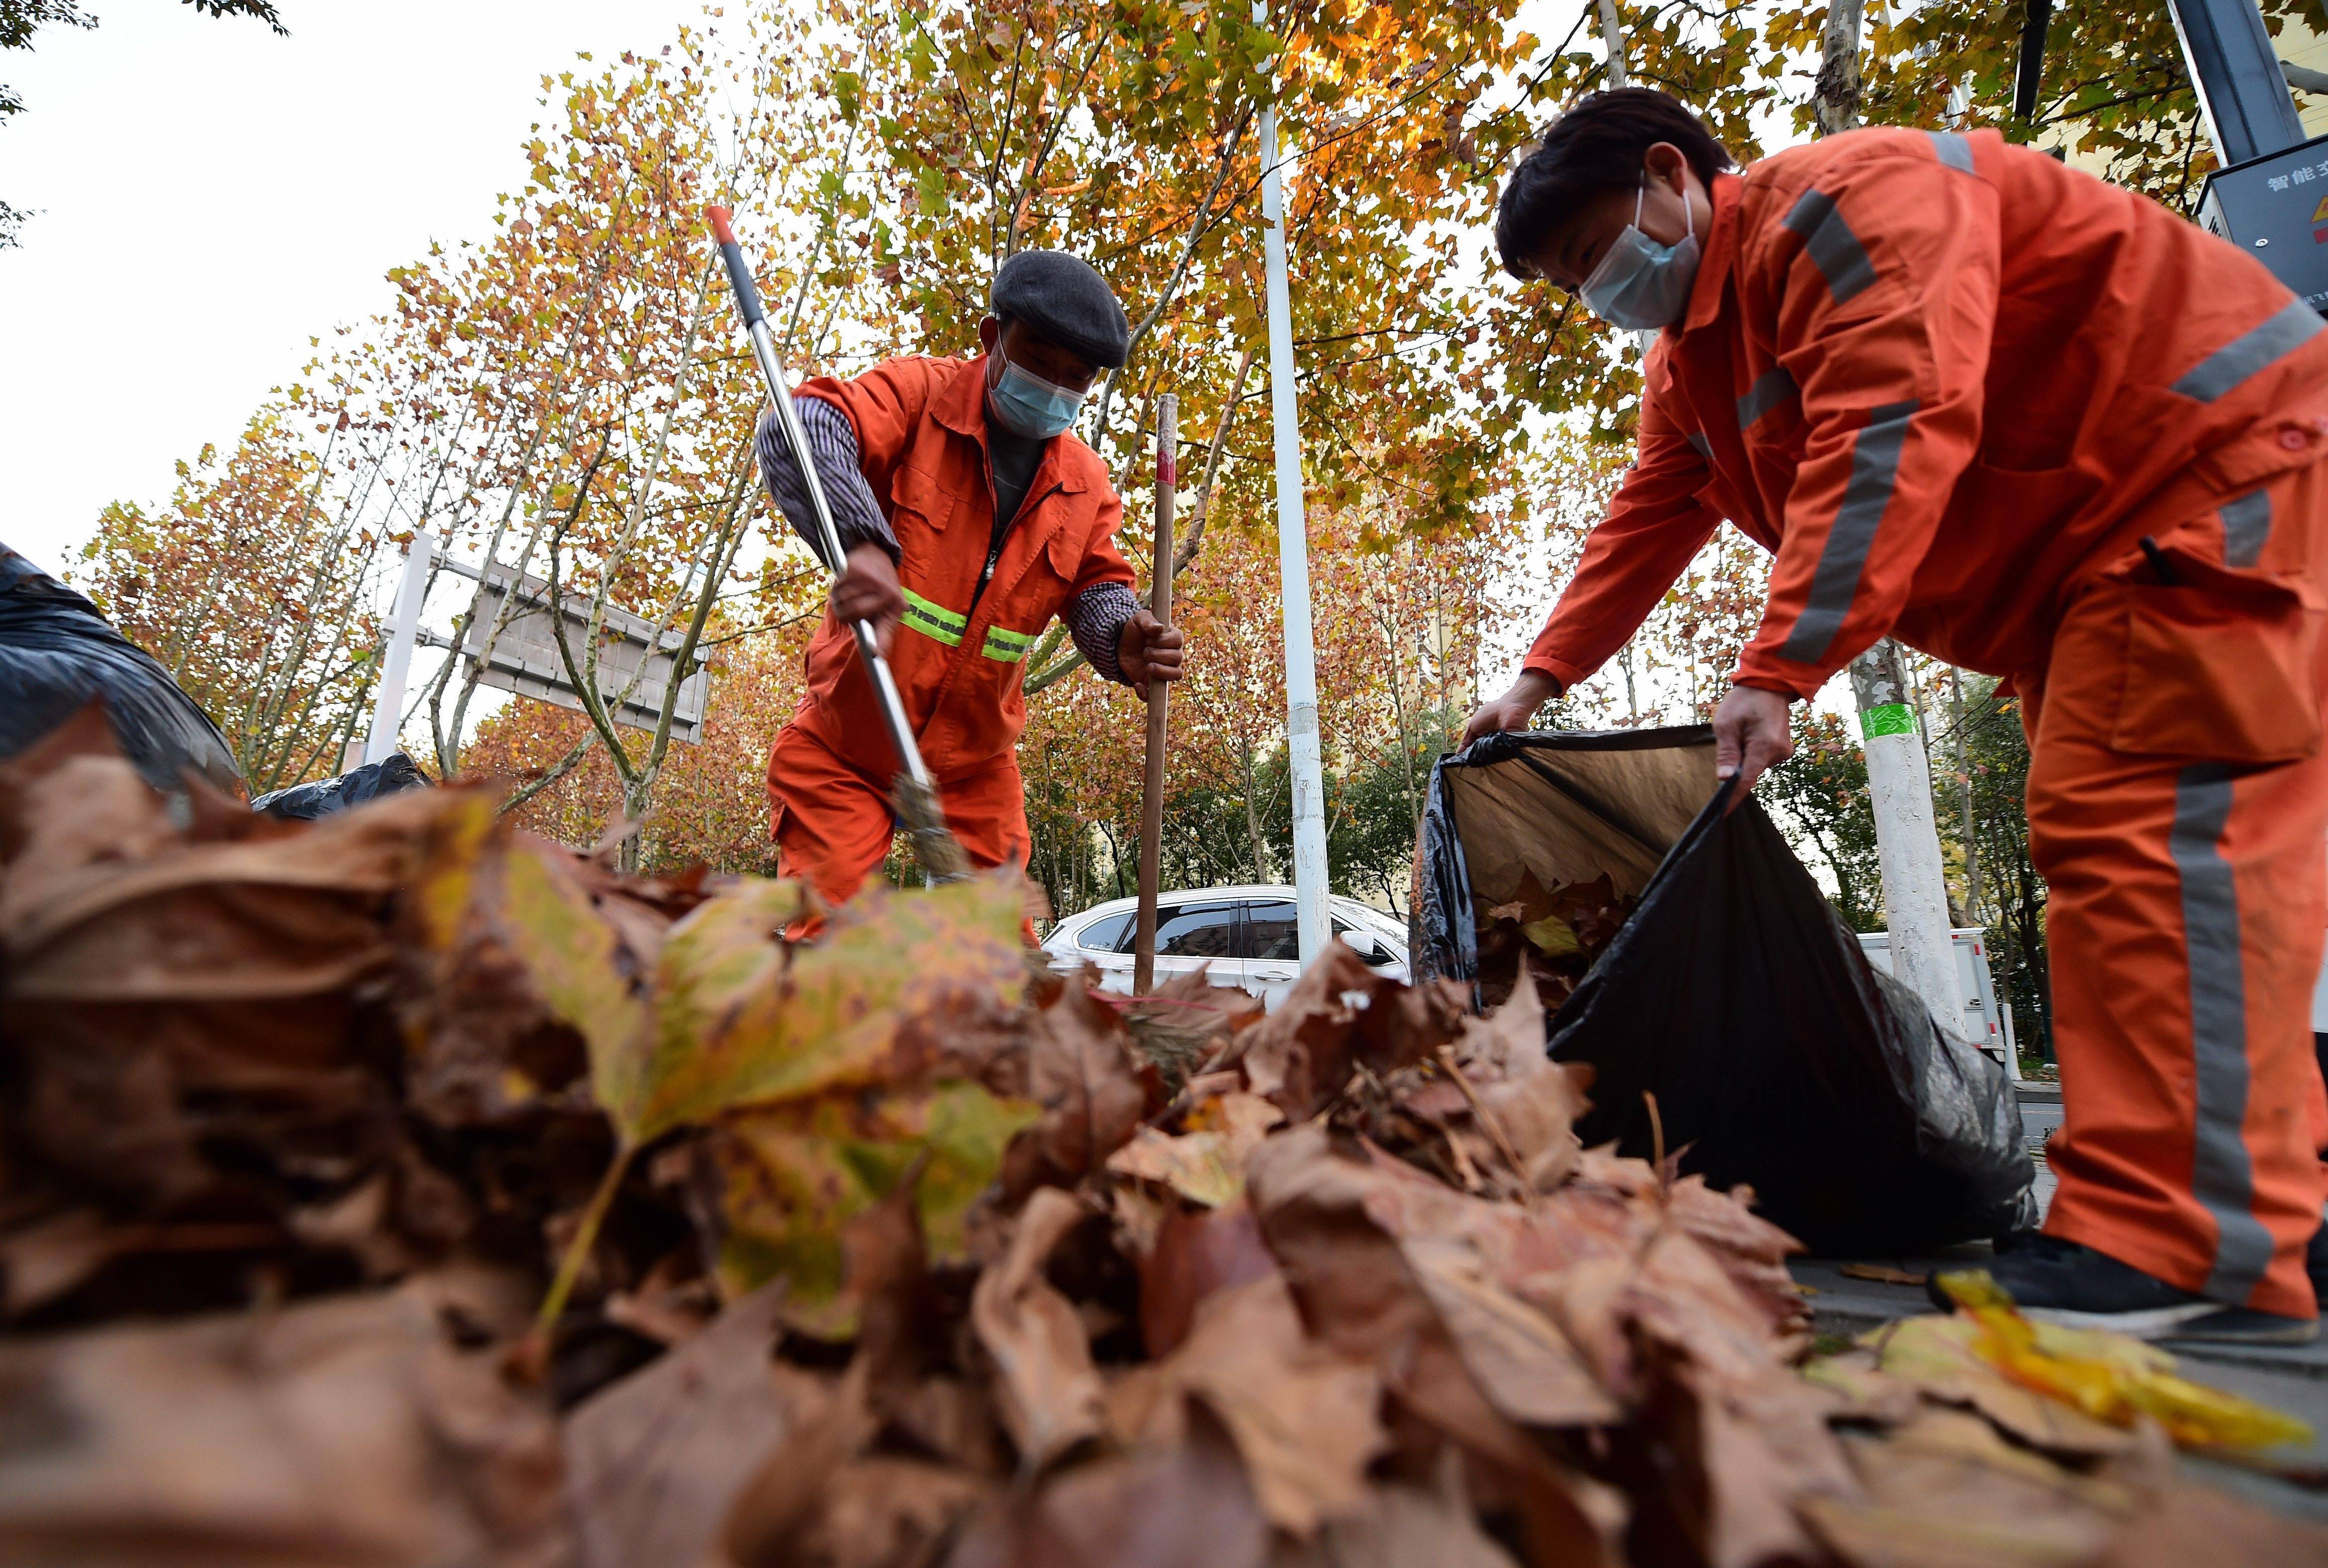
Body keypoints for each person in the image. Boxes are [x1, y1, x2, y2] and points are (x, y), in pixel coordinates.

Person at [1470, 88, 2328, 1343]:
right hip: (2088, 563)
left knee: (2141, 841)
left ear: (1668, 174)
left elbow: (1890, 421)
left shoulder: (1842, 206)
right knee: (2138, 851)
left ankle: (2183, 1245)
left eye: (1592, 253)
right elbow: (1646, 521)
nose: (1596, 291)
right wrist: (1536, 681)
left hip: (2202, 475)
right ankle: (2245, 1206)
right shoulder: (1690, 364)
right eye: (1568, 282)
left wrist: (1777, 667)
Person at [757, 249, 1183, 908]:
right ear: (992, 338)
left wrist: (1120, 633)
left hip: (976, 764)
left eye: (1074, 377)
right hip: (846, 745)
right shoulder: (915, 395)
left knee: (1005, 967)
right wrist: (860, 542)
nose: (1053, 385)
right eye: (1038, 361)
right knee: (828, 949)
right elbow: (804, 428)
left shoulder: (1086, 483)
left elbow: (1095, 584)